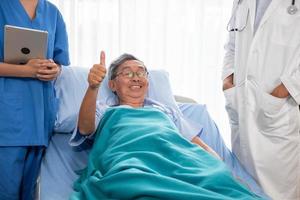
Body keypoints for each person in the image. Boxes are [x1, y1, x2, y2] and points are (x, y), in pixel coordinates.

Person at [69, 52, 264, 199]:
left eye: (141, 73)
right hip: (132, 161)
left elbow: (195, 144)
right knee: (135, 184)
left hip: (178, 161)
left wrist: (223, 170)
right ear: (112, 85)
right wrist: (93, 87)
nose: (136, 78)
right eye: (127, 73)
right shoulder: (105, 109)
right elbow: (86, 128)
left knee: (216, 177)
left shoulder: (165, 111)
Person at [222, 0, 300, 199]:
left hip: (277, 112)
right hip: (242, 103)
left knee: (277, 191)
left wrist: (285, 90)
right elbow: (232, 42)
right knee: (243, 188)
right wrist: (227, 78)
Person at [0, 0, 70, 199]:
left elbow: (59, 62)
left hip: (40, 115)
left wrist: (54, 69)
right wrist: (25, 71)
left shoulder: (52, 13)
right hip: (6, 118)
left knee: (28, 193)